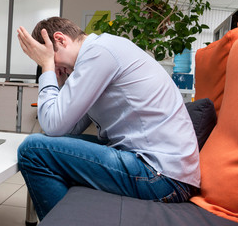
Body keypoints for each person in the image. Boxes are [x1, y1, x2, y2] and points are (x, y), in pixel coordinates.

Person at [17, 17, 200, 220]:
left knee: (33, 150)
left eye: (48, 58)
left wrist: (47, 68)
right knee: (46, 145)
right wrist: (59, 78)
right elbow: (66, 129)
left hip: (162, 177)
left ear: (60, 40)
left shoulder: (98, 53)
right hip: (162, 171)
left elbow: (52, 125)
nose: (53, 67)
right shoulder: (99, 54)